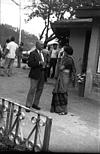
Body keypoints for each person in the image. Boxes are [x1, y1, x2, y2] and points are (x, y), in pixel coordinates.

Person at [50, 45, 76, 115]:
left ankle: (63, 110)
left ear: (66, 52)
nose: (63, 52)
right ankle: (57, 109)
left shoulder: (69, 59)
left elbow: (61, 68)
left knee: (63, 92)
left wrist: (59, 58)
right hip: (62, 76)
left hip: (65, 77)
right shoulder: (65, 58)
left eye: (64, 51)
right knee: (59, 91)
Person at [25, 40, 45, 112]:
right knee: (32, 89)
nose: (43, 46)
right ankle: (28, 105)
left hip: (42, 73)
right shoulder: (33, 53)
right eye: (41, 45)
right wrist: (39, 62)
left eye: (43, 45)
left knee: (40, 89)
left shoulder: (43, 53)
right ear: (37, 45)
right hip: (35, 73)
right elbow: (30, 64)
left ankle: (35, 104)